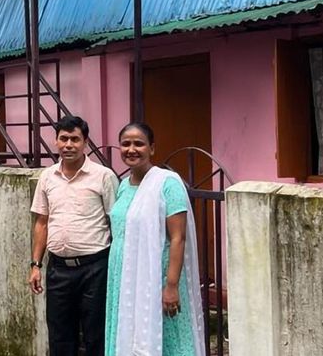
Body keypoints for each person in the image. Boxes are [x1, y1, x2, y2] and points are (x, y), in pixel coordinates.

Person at [105, 123, 205, 356]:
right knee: (127, 334)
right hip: (124, 278)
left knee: (167, 339)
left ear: (152, 148)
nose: (131, 149)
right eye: (126, 143)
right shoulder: (123, 186)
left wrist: (170, 286)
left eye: (139, 143)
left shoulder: (167, 183)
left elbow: (178, 238)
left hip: (156, 277)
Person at [29, 115, 119, 356]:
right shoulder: (47, 177)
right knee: (59, 335)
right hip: (58, 268)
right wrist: (36, 265)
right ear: (56, 142)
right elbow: (41, 222)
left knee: (95, 334)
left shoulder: (103, 176)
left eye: (75, 139)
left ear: (85, 142)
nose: (69, 144)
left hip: (95, 268)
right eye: (63, 139)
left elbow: (117, 222)